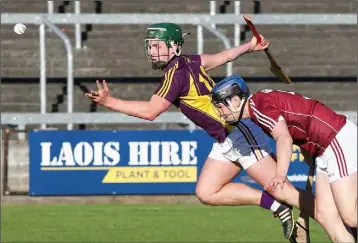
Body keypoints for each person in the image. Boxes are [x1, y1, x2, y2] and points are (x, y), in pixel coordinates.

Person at [85, 22, 317, 240]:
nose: (152, 51)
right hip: (225, 139)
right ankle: (277, 206)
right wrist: (249, 46)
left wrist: (110, 102)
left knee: (283, 190)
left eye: (157, 46)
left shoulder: (174, 74)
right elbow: (221, 57)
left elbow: (150, 111)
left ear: (174, 46)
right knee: (207, 191)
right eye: (150, 46)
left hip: (238, 132)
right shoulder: (188, 62)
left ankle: (335, 217)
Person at [211, 75, 357, 242]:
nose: (220, 114)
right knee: (326, 215)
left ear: (235, 101)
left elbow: (284, 138)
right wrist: (306, 149)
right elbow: (299, 117)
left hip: (335, 139)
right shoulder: (260, 103)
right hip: (321, 149)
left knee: (351, 216)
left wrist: (280, 174)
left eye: (221, 107)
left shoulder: (260, 107)